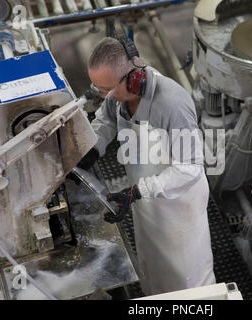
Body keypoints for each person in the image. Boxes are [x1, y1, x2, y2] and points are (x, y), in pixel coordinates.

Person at [86, 36, 216, 295]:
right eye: (99, 90)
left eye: (107, 90)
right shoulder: (117, 95)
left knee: (187, 279)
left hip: (178, 208)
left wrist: (138, 191)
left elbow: (189, 168)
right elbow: (106, 120)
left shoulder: (172, 105)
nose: (105, 97)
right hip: (145, 200)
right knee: (153, 268)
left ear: (133, 79)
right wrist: (92, 147)